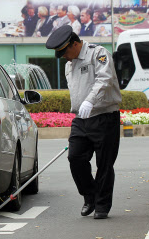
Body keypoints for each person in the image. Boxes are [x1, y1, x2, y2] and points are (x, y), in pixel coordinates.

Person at [46, 25, 122, 219]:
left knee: (104, 164)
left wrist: (90, 100)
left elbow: (105, 79)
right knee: (75, 158)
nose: (64, 56)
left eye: (65, 51)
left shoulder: (98, 54)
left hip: (104, 115)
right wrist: (82, 105)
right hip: (81, 118)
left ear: (74, 43)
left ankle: (102, 206)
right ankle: (89, 195)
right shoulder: (69, 64)